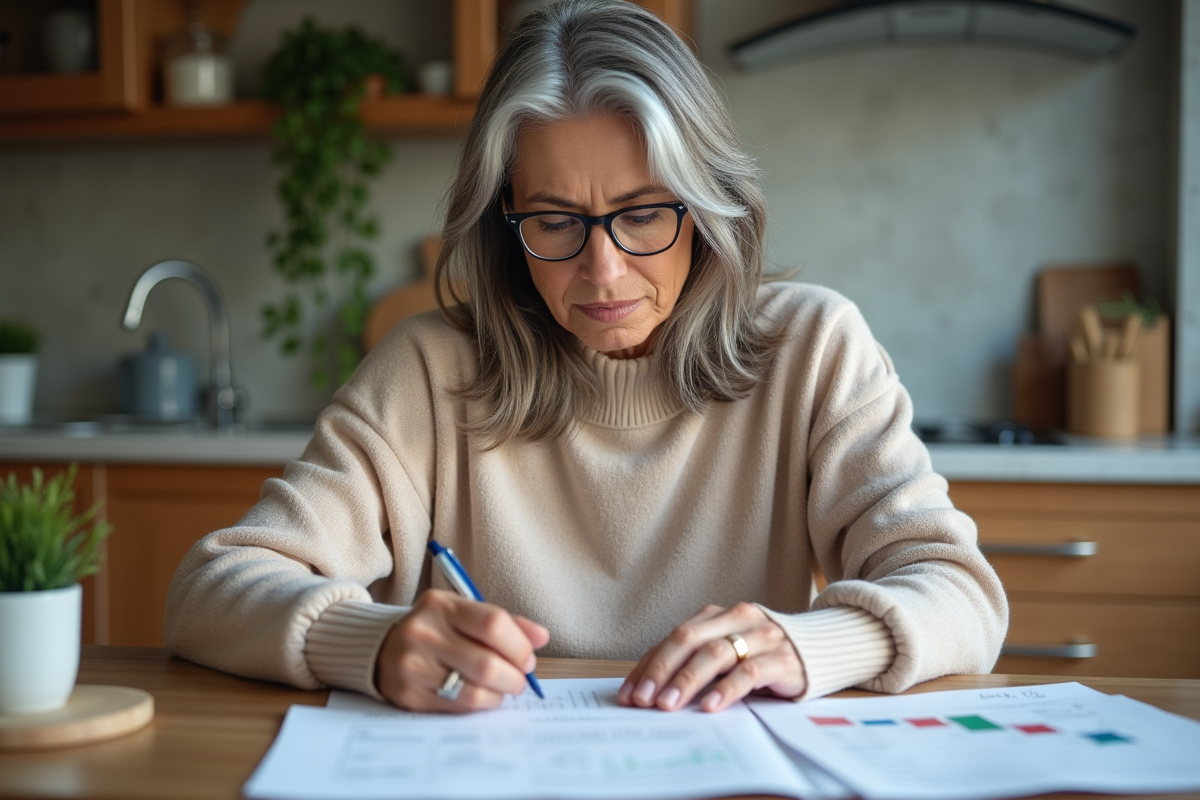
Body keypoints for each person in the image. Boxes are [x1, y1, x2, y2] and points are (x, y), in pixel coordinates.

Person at [165, 0, 1007, 715]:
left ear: (709, 205)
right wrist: (372, 641)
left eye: (643, 215)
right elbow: (208, 592)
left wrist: (804, 643)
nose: (602, 272)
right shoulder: (426, 371)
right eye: (556, 221)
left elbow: (961, 593)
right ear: (506, 221)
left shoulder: (815, 347)